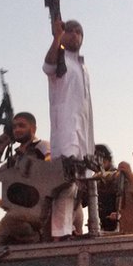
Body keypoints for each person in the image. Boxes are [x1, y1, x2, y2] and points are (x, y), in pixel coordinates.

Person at [44, 19, 95, 240]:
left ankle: (72, 229)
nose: (75, 34)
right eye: (70, 31)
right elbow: (48, 65)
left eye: (79, 31)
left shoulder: (81, 65)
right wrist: (56, 38)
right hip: (66, 130)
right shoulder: (60, 59)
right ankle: (60, 233)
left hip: (83, 132)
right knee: (65, 183)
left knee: (79, 185)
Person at [0, 112, 51, 247]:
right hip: (19, 214)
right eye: (14, 127)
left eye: (22, 126)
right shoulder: (15, 159)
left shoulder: (41, 146)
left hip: (40, 211)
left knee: (12, 218)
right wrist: (0, 149)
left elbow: (49, 160)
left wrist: (32, 168)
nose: (17, 130)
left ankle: (37, 240)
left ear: (33, 129)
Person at [93, 144, 119, 232]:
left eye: (102, 162)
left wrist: (120, 213)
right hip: (101, 226)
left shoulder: (116, 177)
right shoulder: (94, 180)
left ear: (108, 161)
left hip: (117, 226)